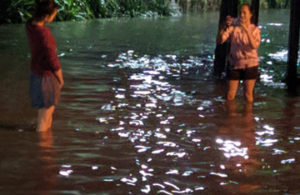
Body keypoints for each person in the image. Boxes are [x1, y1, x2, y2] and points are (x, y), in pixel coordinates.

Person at [26, 0, 63, 131]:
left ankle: (45, 144)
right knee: (45, 118)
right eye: (53, 15)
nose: (54, 17)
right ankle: (43, 148)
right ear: (47, 16)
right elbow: (53, 61)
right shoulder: (44, 35)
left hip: (35, 74)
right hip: (46, 78)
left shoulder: (30, 26)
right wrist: (60, 78)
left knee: (43, 115)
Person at [219, 4, 261, 103]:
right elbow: (221, 40)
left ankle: (248, 117)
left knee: (248, 95)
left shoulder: (255, 30)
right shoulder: (233, 28)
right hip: (234, 63)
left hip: (250, 64)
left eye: (244, 13)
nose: (242, 15)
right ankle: (231, 117)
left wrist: (246, 29)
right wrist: (224, 27)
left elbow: (254, 45)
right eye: (240, 13)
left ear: (250, 15)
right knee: (230, 95)